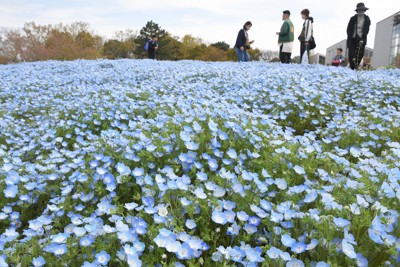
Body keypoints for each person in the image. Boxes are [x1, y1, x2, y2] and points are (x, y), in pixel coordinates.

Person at [346, 3, 371, 70]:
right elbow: (348, 29)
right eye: (359, 10)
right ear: (357, 11)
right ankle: (352, 68)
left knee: (360, 54)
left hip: (361, 39)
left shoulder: (367, 19)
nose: (361, 12)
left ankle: (356, 67)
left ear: (364, 10)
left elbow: (367, 29)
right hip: (353, 39)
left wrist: (363, 36)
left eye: (362, 10)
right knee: (352, 54)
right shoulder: (352, 18)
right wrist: (350, 36)